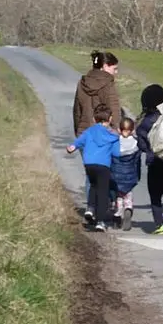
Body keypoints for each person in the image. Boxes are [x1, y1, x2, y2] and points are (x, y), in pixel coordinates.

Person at [73, 50, 122, 213]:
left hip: (84, 132)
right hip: (104, 135)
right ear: (105, 66)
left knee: (90, 174)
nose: (116, 73)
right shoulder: (108, 83)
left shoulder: (82, 82)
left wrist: (79, 132)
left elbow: (77, 111)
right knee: (105, 171)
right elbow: (114, 109)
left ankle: (91, 208)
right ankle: (105, 207)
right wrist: (116, 131)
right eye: (114, 68)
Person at [66, 104, 121, 232]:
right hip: (104, 166)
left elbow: (78, 142)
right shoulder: (113, 137)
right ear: (110, 119)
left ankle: (90, 209)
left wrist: (72, 147)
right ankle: (100, 222)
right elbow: (117, 153)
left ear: (94, 119)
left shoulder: (89, 131)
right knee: (102, 192)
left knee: (93, 185)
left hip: (89, 164)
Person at [136, 84, 163, 235]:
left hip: (154, 162)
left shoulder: (144, 123)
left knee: (155, 195)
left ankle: (159, 225)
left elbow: (141, 144)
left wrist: (146, 149)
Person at [110, 117, 141, 231]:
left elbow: (111, 159)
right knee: (128, 194)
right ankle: (128, 208)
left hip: (117, 175)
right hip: (130, 174)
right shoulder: (136, 143)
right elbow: (137, 161)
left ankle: (117, 215)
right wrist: (137, 175)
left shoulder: (115, 142)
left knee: (118, 196)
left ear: (119, 130)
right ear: (133, 130)